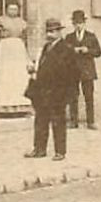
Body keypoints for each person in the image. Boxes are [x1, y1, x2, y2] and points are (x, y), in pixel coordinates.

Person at [24, 18, 77, 161]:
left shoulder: (66, 49)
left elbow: (72, 74)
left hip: (58, 92)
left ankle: (60, 151)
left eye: (54, 31)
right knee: (41, 120)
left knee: (58, 121)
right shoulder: (45, 48)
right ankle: (39, 149)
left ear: (60, 32)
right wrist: (34, 69)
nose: (50, 34)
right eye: (48, 31)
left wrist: (67, 94)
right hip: (42, 91)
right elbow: (41, 66)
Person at [0, 3, 31, 116]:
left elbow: (26, 38)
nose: (13, 11)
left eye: (15, 9)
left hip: (19, 49)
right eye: (10, 9)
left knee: (19, 77)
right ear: (6, 9)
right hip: (5, 49)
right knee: (6, 77)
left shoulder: (22, 23)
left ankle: (20, 107)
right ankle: (4, 108)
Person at [65, 9, 101, 130]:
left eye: (80, 23)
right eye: (76, 23)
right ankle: (73, 121)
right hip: (72, 71)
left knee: (88, 96)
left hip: (87, 71)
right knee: (73, 96)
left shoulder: (91, 36)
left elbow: (98, 52)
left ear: (84, 23)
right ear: (73, 24)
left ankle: (90, 121)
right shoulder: (69, 37)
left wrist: (88, 50)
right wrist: (73, 50)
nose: (78, 25)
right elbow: (64, 53)